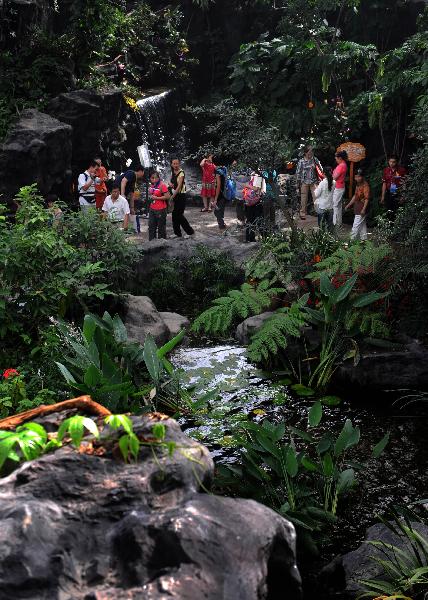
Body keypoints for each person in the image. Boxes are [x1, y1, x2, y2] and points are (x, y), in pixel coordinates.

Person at [295, 146, 323, 220]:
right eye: (309, 152)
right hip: (304, 182)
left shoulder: (315, 159)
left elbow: (321, 169)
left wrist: (321, 177)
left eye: (312, 152)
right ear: (305, 153)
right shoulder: (301, 161)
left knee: (316, 197)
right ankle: (302, 213)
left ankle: (318, 212)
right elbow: (298, 173)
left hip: (314, 182)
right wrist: (297, 184)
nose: (311, 153)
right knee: (303, 199)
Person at [114, 165, 145, 231]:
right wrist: (122, 195)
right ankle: (119, 229)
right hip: (116, 193)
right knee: (119, 212)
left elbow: (132, 194)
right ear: (140, 171)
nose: (143, 174)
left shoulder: (134, 180)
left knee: (124, 212)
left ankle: (124, 229)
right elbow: (123, 181)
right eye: (143, 172)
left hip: (119, 195)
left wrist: (132, 208)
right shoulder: (132, 173)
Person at [170, 158, 194, 238]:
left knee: (179, 215)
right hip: (175, 195)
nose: (176, 165)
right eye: (174, 163)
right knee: (174, 214)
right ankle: (177, 233)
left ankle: (190, 232)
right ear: (172, 164)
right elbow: (173, 183)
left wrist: (172, 196)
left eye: (177, 163)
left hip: (181, 195)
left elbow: (179, 186)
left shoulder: (181, 173)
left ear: (179, 164)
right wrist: (171, 184)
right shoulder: (172, 172)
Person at [345, 169, 370, 241]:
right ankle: (364, 241)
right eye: (356, 177)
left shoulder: (365, 186)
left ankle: (351, 241)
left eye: (359, 177)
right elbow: (355, 196)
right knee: (362, 226)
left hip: (362, 208)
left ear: (362, 177)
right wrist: (348, 205)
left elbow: (367, 199)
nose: (357, 178)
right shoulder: (358, 185)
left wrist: (363, 209)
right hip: (358, 207)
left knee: (355, 226)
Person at [380, 154, 407, 219]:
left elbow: (404, 183)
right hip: (389, 192)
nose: (391, 163)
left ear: (396, 162)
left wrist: (403, 196)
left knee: (398, 211)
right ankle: (389, 227)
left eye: (393, 162)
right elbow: (384, 184)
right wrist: (383, 196)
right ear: (388, 161)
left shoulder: (402, 170)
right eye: (390, 162)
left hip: (398, 193)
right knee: (389, 211)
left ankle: (397, 227)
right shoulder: (386, 170)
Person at [148, 171, 171, 241]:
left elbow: (168, 196)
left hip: (161, 209)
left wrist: (156, 198)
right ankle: (151, 243)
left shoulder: (162, 185)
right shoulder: (152, 185)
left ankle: (162, 244)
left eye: (156, 178)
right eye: (152, 178)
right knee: (151, 226)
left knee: (161, 228)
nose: (154, 179)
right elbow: (152, 195)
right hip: (152, 208)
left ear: (159, 178)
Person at [243, 174, 263, 242]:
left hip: (250, 202)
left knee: (251, 220)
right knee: (257, 220)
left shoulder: (253, 176)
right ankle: (253, 238)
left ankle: (249, 238)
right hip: (254, 202)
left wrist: (247, 185)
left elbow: (256, 188)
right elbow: (257, 188)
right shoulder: (257, 176)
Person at [332, 150, 348, 227]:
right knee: (338, 206)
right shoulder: (343, 164)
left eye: (336, 158)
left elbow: (334, 177)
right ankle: (338, 223)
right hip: (340, 187)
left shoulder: (341, 166)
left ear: (340, 158)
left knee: (335, 205)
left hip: (338, 188)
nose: (335, 159)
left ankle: (335, 223)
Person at [212, 165, 228, 231]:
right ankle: (222, 224)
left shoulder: (218, 172)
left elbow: (218, 186)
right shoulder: (224, 169)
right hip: (224, 194)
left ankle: (222, 226)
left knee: (217, 212)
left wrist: (215, 199)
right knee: (219, 211)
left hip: (220, 195)